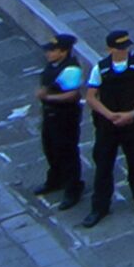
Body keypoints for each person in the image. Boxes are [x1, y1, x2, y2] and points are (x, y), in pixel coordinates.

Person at [84, 29, 134, 223]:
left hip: (133, 124)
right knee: (103, 166)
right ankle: (99, 207)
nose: (124, 51)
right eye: (119, 48)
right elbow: (91, 97)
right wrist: (110, 116)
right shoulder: (100, 69)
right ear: (110, 49)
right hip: (108, 126)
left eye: (126, 47)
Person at [33, 31, 89, 210]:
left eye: (53, 50)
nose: (48, 53)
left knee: (66, 150)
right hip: (50, 115)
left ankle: (73, 187)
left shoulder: (70, 70)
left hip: (64, 117)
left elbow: (72, 96)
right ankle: (55, 179)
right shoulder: (53, 65)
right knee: (50, 147)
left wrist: (46, 97)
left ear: (63, 52)